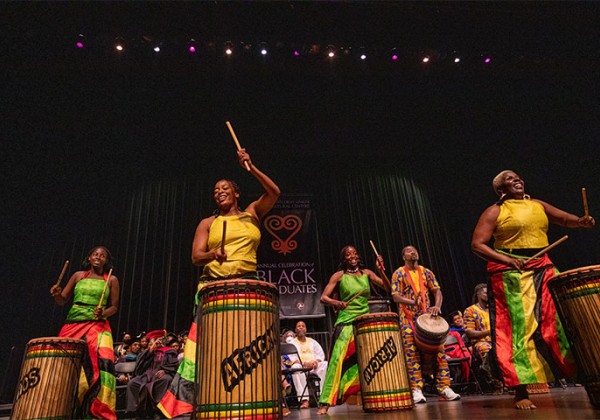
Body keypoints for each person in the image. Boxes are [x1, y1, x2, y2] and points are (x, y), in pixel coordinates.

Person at [158, 148, 280, 418]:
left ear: (236, 193)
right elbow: (195, 257)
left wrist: (251, 168)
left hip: (248, 284)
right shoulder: (208, 222)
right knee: (208, 349)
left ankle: (252, 398)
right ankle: (199, 402)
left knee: (248, 345)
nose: (219, 192)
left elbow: (274, 193)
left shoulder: (252, 214)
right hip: (214, 287)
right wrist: (213, 254)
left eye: (225, 188)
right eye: (215, 190)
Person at [471, 169, 595, 409]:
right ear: (500, 190)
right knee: (518, 330)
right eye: (509, 179)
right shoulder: (495, 211)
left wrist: (580, 222)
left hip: (544, 267)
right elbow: (477, 244)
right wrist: (508, 260)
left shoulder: (537, 204)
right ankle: (520, 390)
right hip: (511, 275)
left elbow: (564, 219)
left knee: (559, 323)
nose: (517, 180)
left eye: (518, 177)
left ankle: (584, 375)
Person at [317, 245, 389, 415]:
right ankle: (326, 402)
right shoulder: (339, 276)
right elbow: (323, 297)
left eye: (354, 253)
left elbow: (389, 288)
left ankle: (374, 397)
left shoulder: (367, 273)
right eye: (348, 255)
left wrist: (381, 270)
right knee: (336, 361)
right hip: (346, 323)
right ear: (343, 259)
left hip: (363, 323)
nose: (352, 256)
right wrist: (337, 303)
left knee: (369, 360)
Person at [50, 246, 119, 420]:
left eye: (102, 256)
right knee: (64, 363)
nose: (98, 257)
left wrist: (103, 313)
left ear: (106, 261)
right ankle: (61, 407)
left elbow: (114, 307)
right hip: (73, 323)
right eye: (95, 254)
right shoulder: (78, 276)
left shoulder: (111, 279)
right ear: (89, 258)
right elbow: (62, 301)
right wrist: (57, 295)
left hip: (98, 325)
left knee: (98, 367)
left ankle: (95, 411)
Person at [389, 245, 460, 403]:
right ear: (403, 257)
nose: (413, 252)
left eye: (414, 250)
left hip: (427, 318)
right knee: (412, 354)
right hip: (408, 319)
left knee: (439, 352)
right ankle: (416, 389)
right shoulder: (398, 273)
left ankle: (444, 387)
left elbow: (437, 291)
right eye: (408, 251)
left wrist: (437, 306)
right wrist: (412, 302)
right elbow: (396, 297)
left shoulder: (426, 272)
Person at [126, 330, 180, 417]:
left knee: (166, 380)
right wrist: (151, 350)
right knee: (133, 383)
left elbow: (174, 365)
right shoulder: (148, 351)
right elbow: (140, 363)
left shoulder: (169, 351)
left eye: (159, 339)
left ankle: (160, 409)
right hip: (147, 375)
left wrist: (165, 371)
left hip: (161, 374)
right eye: (155, 340)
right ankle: (136, 411)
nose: (158, 341)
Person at [290, 321, 328, 409]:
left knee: (324, 364)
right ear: (296, 330)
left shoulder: (312, 342)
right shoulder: (292, 343)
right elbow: (292, 359)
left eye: (303, 326)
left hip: (313, 366)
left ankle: (324, 398)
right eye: (298, 326)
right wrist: (304, 364)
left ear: (306, 329)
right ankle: (304, 400)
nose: (301, 327)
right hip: (302, 367)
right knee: (295, 367)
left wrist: (315, 362)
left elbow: (320, 355)